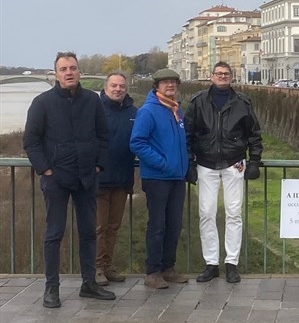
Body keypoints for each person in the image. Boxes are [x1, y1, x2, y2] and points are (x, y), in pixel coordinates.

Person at [23, 51, 116, 308]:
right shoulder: (42, 102)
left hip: (87, 177)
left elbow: (103, 136)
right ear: (56, 74)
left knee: (88, 232)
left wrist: (98, 165)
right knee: (54, 234)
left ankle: (89, 284)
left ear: (79, 72)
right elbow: (31, 141)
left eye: (72, 68)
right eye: (63, 69)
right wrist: (45, 170)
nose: (69, 73)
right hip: (56, 179)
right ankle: (51, 288)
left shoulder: (92, 100)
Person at [185, 61, 263, 284]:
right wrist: (189, 162)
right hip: (206, 163)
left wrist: (254, 161)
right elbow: (188, 134)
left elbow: (254, 134)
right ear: (211, 76)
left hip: (233, 163)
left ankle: (231, 263)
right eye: (218, 74)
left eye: (226, 74)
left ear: (231, 77)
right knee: (207, 213)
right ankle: (211, 263)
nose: (222, 77)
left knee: (234, 213)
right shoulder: (198, 101)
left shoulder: (242, 102)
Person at [130, 68, 190, 289]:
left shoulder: (176, 109)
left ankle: (168, 268)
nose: (170, 85)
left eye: (173, 82)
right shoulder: (148, 111)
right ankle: (153, 271)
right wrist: (162, 163)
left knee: (174, 224)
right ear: (156, 86)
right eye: (165, 82)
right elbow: (137, 143)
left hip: (177, 177)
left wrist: (184, 165)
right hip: (157, 177)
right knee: (157, 225)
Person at [94, 72, 137, 286]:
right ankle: (96, 268)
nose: (118, 89)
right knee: (99, 227)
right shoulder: (95, 109)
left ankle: (107, 265)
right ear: (105, 87)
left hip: (122, 178)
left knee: (113, 226)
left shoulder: (134, 112)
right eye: (114, 85)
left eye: (122, 86)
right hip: (99, 179)